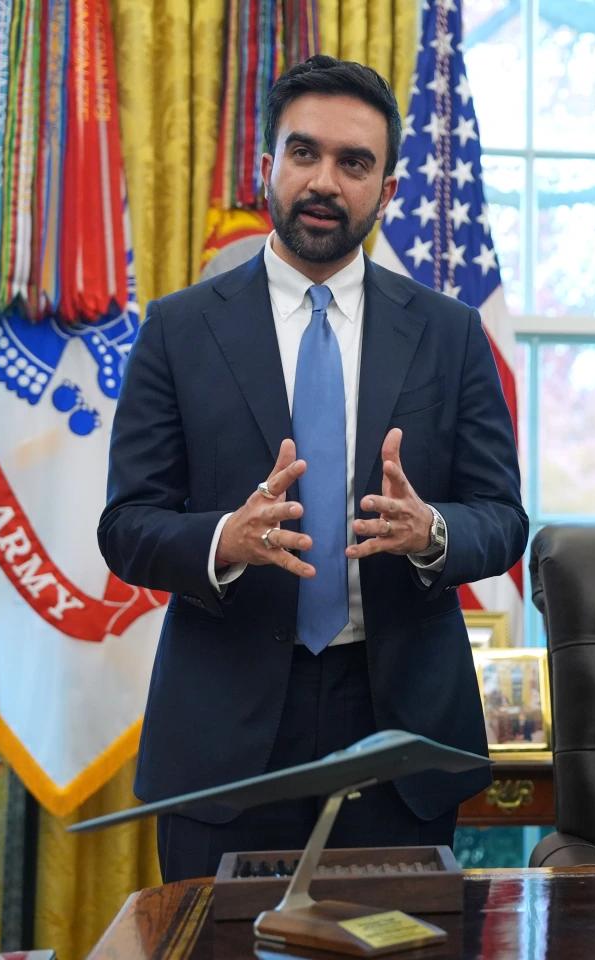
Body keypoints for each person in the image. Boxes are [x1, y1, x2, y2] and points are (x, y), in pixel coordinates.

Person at [98, 55, 526, 881]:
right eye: (304, 153)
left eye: (353, 162)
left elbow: (503, 519)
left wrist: (432, 531)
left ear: (387, 190)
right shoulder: (178, 330)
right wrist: (224, 540)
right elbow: (126, 527)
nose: (324, 181)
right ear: (269, 165)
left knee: (397, 936)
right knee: (216, 938)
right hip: (222, 732)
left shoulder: (450, 334)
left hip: (399, 726)